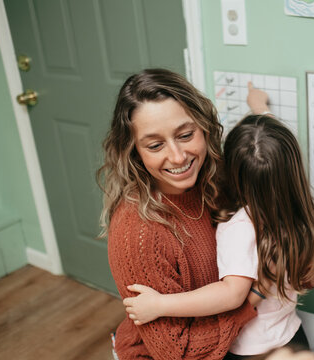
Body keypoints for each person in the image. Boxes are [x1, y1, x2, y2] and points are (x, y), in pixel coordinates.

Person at [122, 111, 314, 358]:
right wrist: (160, 305)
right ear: (293, 173)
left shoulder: (279, 215)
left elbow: (283, 270)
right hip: (255, 349)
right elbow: (231, 294)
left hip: (286, 329)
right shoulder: (246, 227)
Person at [98, 68, 263, 360]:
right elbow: (181, 353)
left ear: (204, 127)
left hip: (227, 328)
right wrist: (254, 297)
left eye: (185, 135)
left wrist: (260, 110)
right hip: (181, 353)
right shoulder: (138, 233)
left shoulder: (212, 177)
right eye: (155, 145)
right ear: (135, 151)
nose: (177, 157)